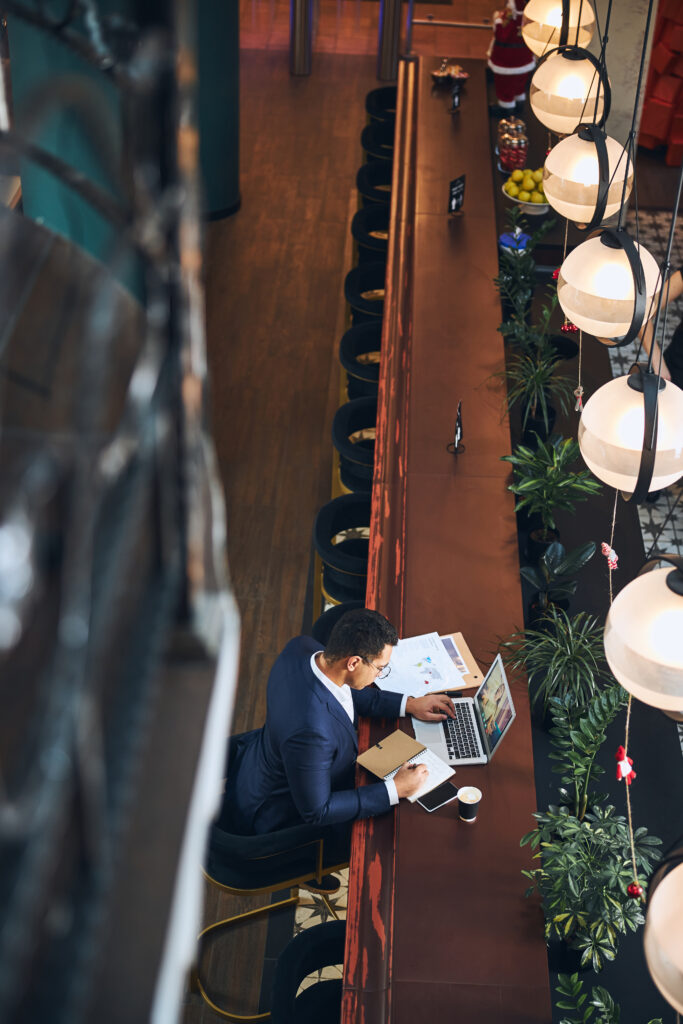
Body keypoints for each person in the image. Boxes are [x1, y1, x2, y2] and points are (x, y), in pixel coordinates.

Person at [223, 609, 456, 843]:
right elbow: (318, 810)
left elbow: (346, 690)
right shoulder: (312, 732)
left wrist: (410, 704)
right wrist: (395, 790)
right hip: (276, 807)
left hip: (258, 762)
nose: (379, 675)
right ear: (354, 662)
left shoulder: (302, 648)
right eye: (380, 668)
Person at [486, 0, 535, 117]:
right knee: (519, 83)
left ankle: (506, 109)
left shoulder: (509, 21)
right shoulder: (529, 20)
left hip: (506, 61)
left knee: (505, 86)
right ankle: (519, 103)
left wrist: (497, 21)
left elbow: (501, 35)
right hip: (524, 60)